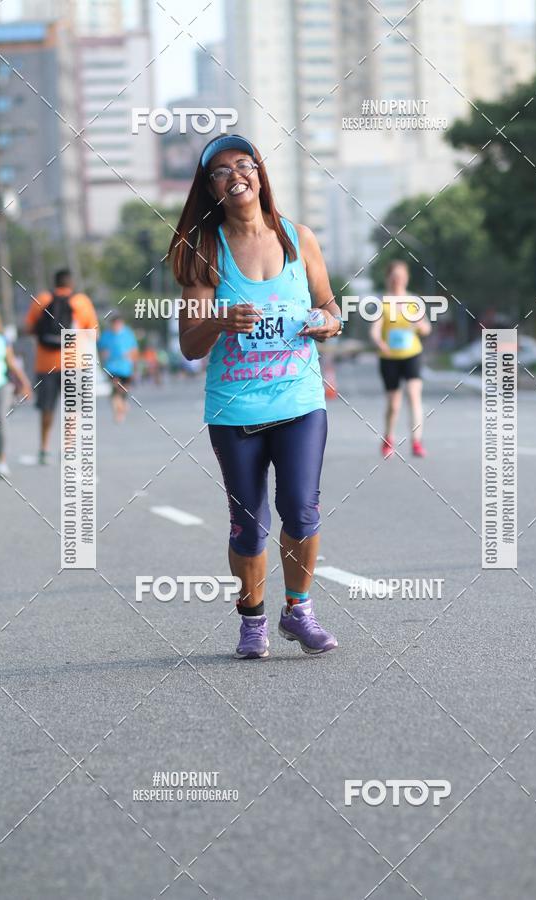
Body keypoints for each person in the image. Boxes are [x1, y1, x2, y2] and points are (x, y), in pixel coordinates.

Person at [169, 133, 343, 660]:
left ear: (261, 175)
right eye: (221, 170)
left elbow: (332, 309)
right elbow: (188, 343)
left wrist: (327, 324)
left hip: (300, 400)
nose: (236, 174)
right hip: (236, 408)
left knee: (302, 510)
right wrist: (220, 318)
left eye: (245, 164)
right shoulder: (205, 251)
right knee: (249, 525)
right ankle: (251, 622)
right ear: (211, 187)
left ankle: (299, 611)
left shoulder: (298, 237)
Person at [25, 269, 98, 464]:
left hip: (45, 364)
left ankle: (44, 448)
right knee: (72, 410)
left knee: (46, 409)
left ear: (54, 282)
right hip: (75, 364)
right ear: (71, 284)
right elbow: (93, 333)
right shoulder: (81, 301)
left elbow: (29, 328)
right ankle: (68, 449)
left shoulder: (41, 298)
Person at [370, 260, 431, 459]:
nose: (398, 280)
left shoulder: (413, 301)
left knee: (414, 395)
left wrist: (420, 325)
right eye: (394, 277)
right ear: (388, 278)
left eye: (401, 277)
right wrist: (378, 342)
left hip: (412, 354)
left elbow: (426, 328)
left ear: (407, 278)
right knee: (394, 404)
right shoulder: (382, 302)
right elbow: (375, 329)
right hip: (389, 357)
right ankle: (388, 438)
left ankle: (416, 442)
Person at [0, 303, 32, 478]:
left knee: (0, 422)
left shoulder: (1, 338)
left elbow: (11, 363)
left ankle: (1, 461)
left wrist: (24, 383)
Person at [98, 314, 138, 422]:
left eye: (118, 323)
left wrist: (134, 365)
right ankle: (118, 412)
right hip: (112, 366)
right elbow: (101, 348)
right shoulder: (106, 335)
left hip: (126, 367)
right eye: (114, 323)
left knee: (123, 389)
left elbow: (134, 350)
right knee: (115, 386)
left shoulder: (128, 334)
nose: (116, 325)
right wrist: (103, 356)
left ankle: (122, 404)